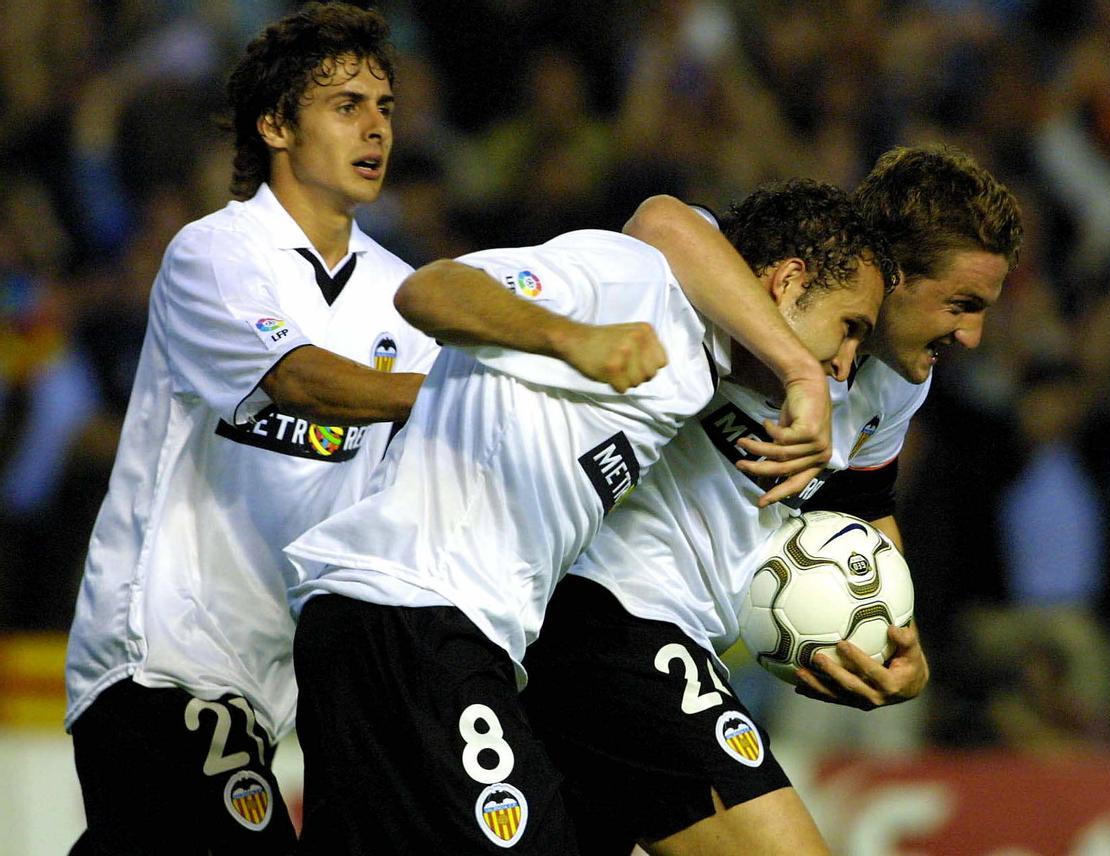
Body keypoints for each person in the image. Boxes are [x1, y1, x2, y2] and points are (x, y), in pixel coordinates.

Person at [282, 179, 892, 854]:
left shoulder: (696, 360)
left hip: (397, 628)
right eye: (850, 328)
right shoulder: (637, 284)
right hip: (413, 613)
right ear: (788, 282)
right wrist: (573, 338)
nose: (845, 366)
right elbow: (431, 291)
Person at [520, 144, 1023, 855]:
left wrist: (894, 637)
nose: (971, 335)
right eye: (961, 305)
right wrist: (799, 374)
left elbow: (864, 507)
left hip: (681, 638)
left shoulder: (898, 383)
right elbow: (660, 222)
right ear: (894, 276)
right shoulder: (764, 290)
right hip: (611, 614)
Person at [63, 5, 441, 853]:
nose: (376, 127)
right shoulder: (214, 254)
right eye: (346, 105)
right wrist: (465, 393)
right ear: (275, 125)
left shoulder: (406, 297)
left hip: (269, 687)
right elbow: (299, 381)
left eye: (385, 107)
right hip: (161, 654)